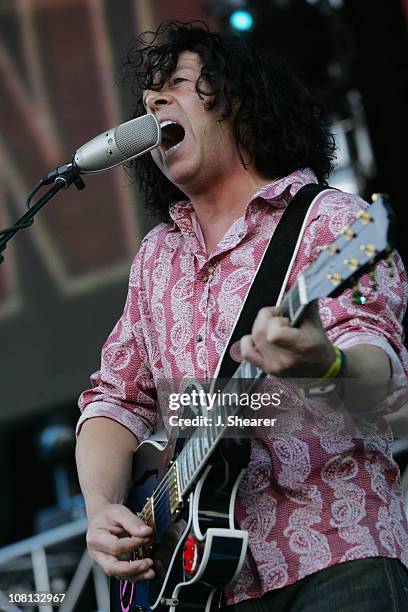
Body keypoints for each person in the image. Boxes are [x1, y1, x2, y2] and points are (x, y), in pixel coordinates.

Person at [75, 21, 408, 610]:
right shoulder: (158, 260)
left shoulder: (333, 222)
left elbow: (380, 375)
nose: (154, 107)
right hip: (206, 586)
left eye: (176, 86)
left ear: (240, 104)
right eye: (148, 101)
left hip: (336, 557)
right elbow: (113, 401)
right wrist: (103, 509)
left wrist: (324, 363)